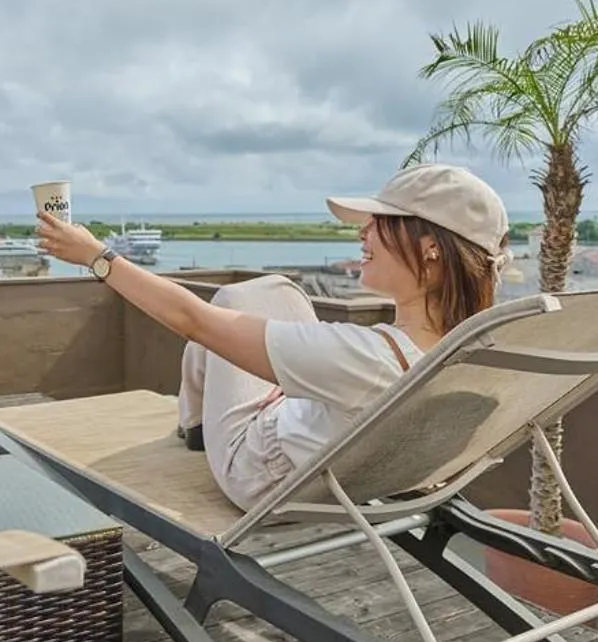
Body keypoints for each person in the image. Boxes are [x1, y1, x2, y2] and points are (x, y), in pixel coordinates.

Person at [34, 163, 509, 511]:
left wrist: (98, 257)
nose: (363, 233)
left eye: (379, 223)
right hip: (329, 460)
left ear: (430, 250)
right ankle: (195, 417)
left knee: (235, 302)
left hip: (257, 467)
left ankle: (196, 422)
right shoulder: (469, 351)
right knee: (278, 291)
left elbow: (192, 321)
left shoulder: (369, 359)